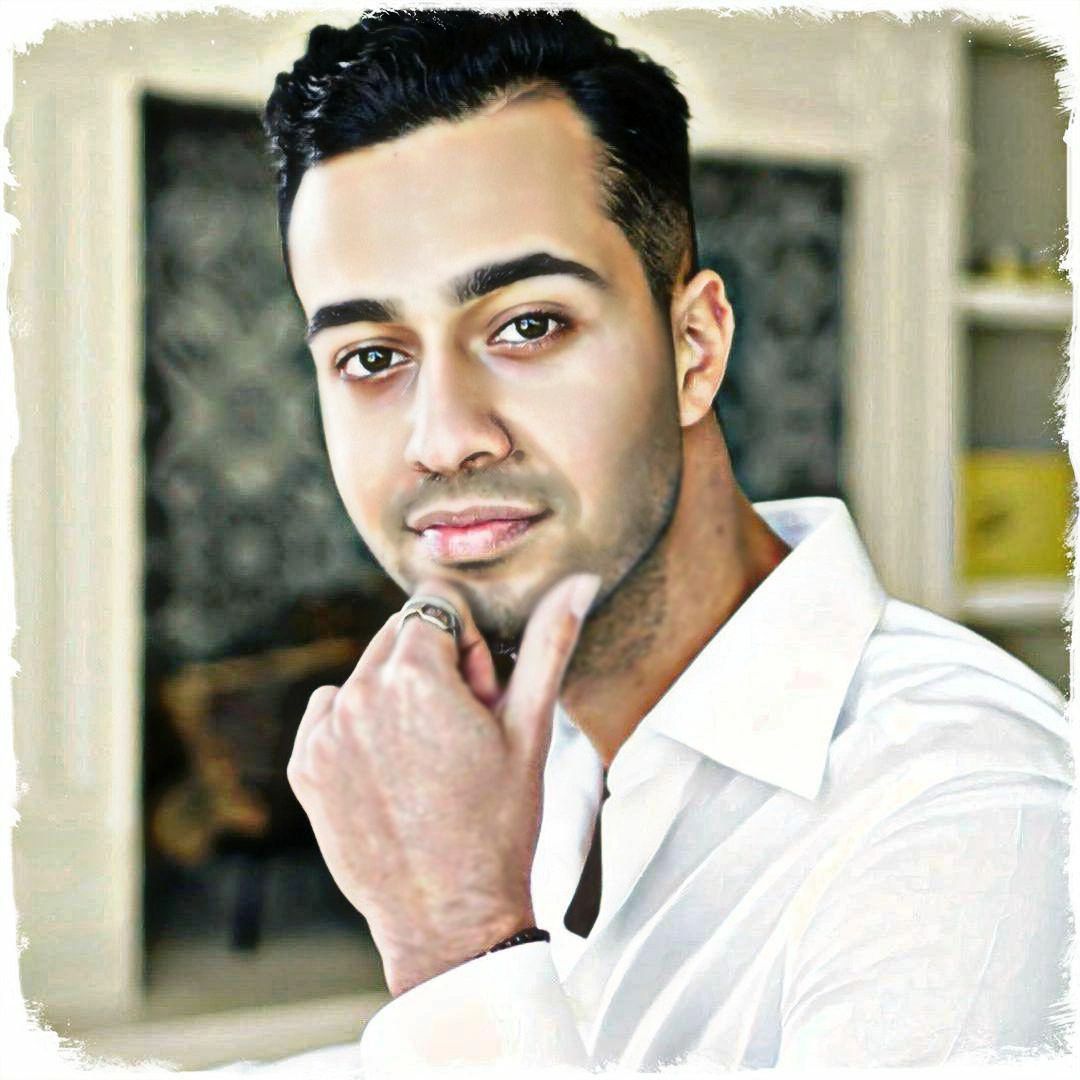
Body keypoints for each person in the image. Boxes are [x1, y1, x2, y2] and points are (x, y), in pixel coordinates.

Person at [252, 8, 1072, 1072]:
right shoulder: (540, 743)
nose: (443, 437)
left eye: (528, 325)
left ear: (695, 347)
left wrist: (458, 941)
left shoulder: (972, 812)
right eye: (371, 357)